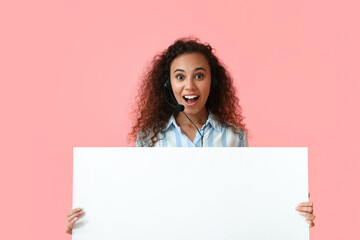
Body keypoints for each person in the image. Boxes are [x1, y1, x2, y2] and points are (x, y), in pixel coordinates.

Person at [65, 37, 315, 234]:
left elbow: (247, 200)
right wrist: (88, 221)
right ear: (168, 85)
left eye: (199, 75)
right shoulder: (149, 138)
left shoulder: (234, 136)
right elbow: (135, 202)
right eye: (180, 77)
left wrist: (291, 208)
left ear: (212, 82)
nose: (190, 86)